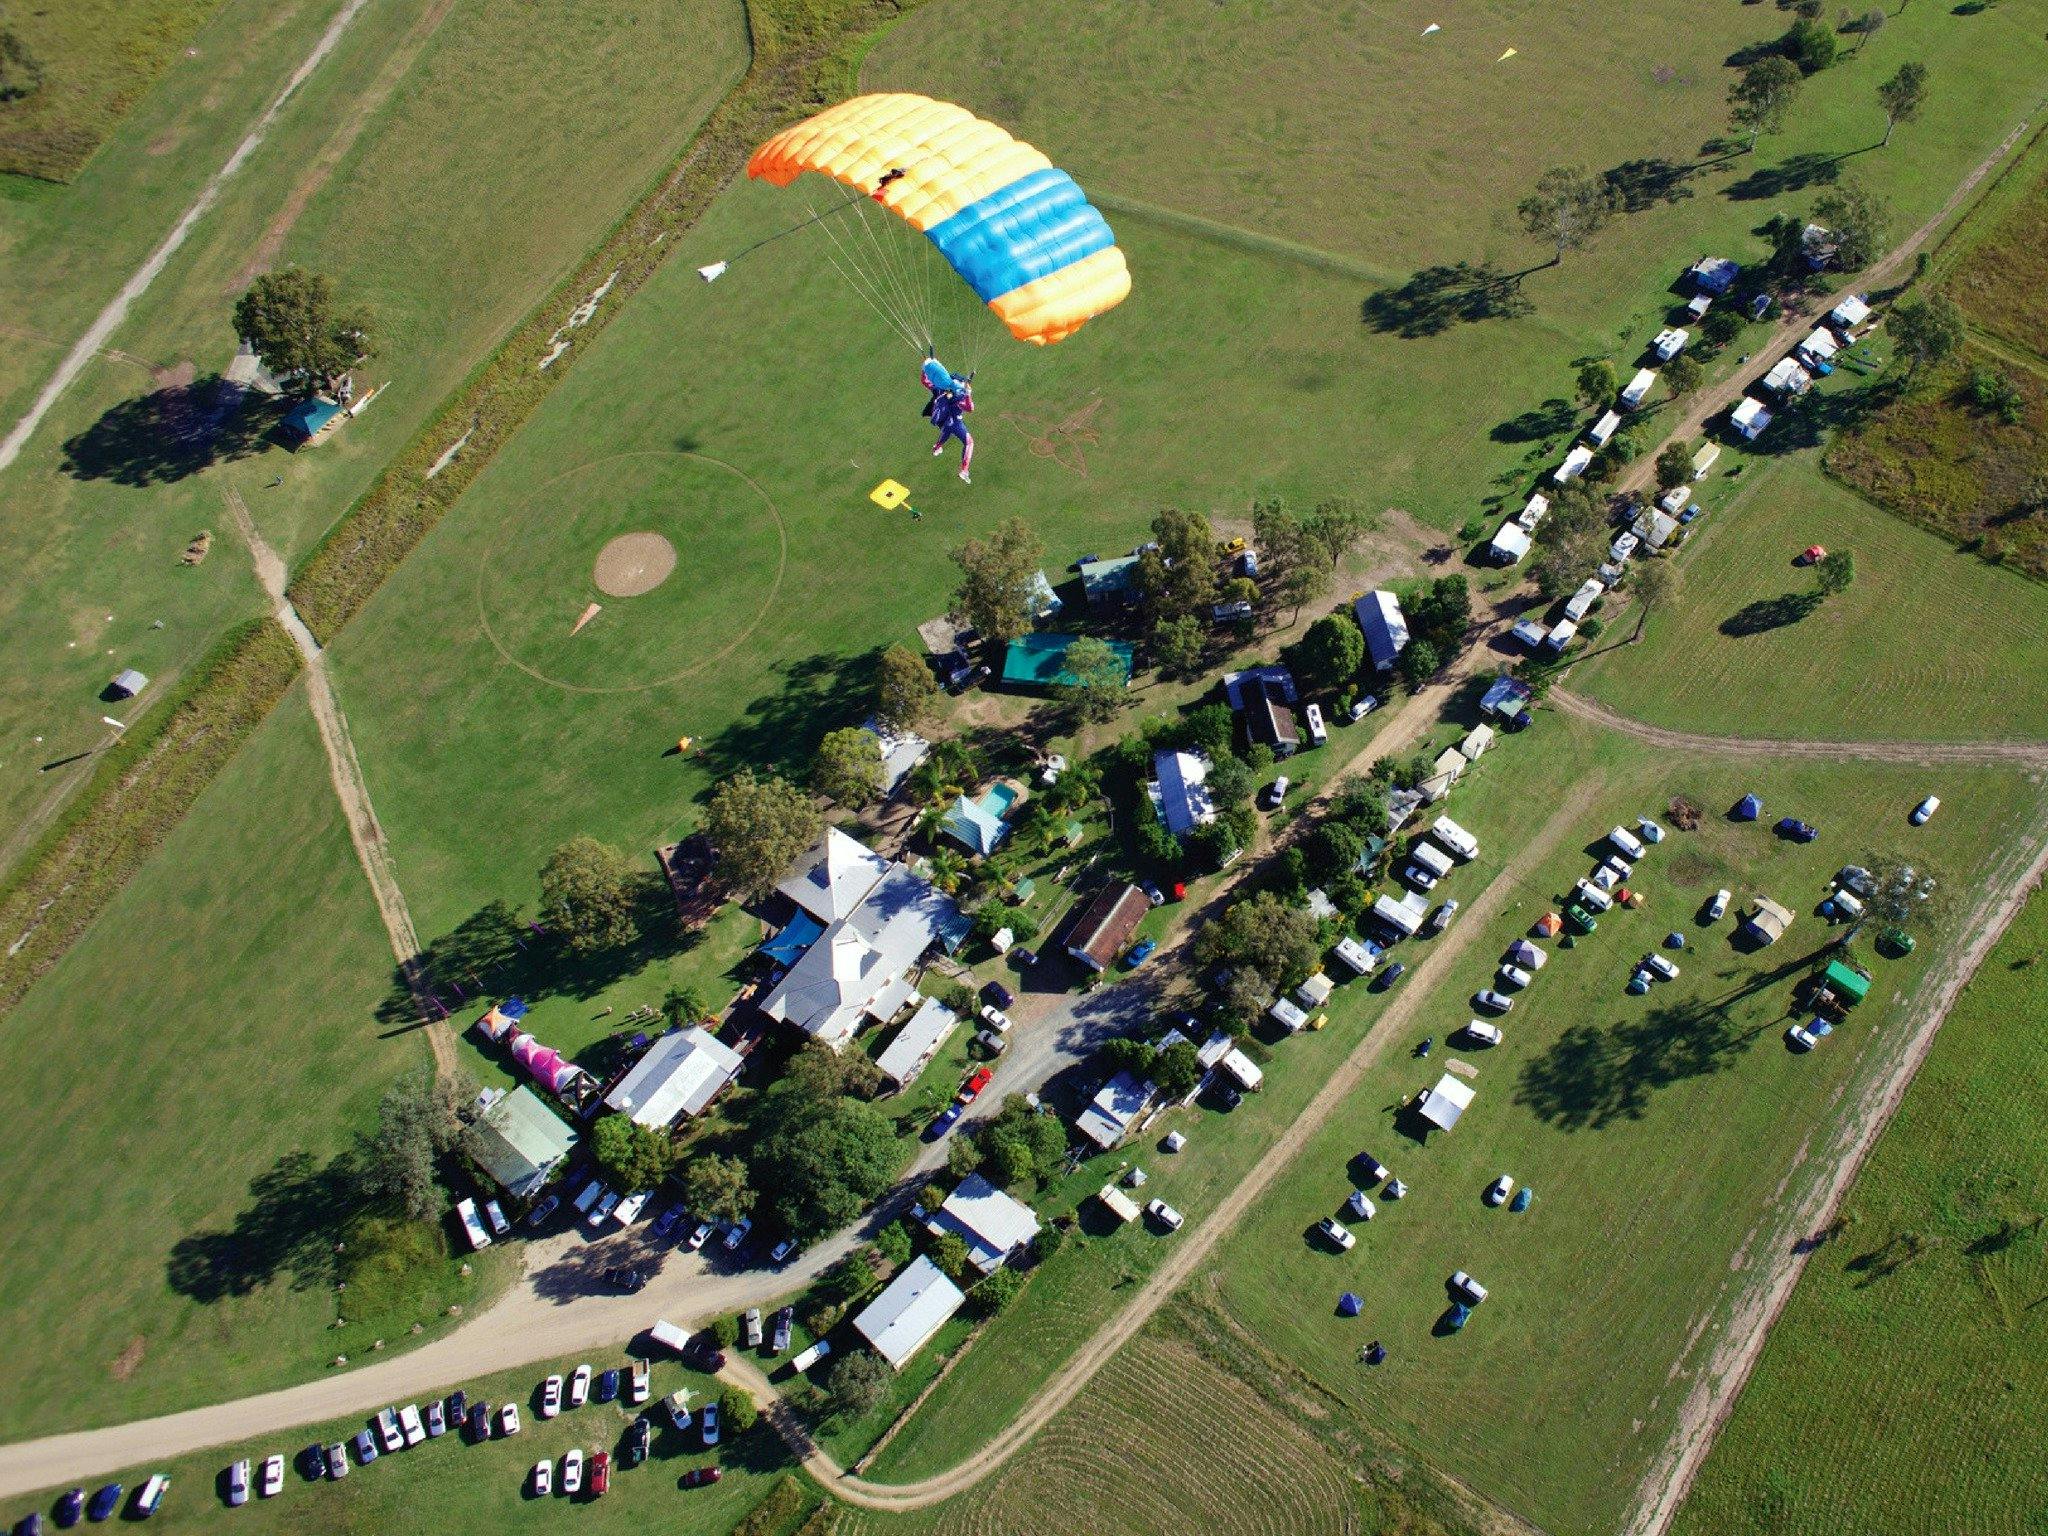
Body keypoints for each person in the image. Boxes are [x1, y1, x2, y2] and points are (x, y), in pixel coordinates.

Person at [930, 377, 974, 483]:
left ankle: (936, 448)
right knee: (969, 443)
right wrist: (968, 394)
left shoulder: (945, 394)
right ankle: (964, 470)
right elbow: (970, 408)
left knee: (946, 431)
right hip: (956, 423)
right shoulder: (958, 399)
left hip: (947, 421)